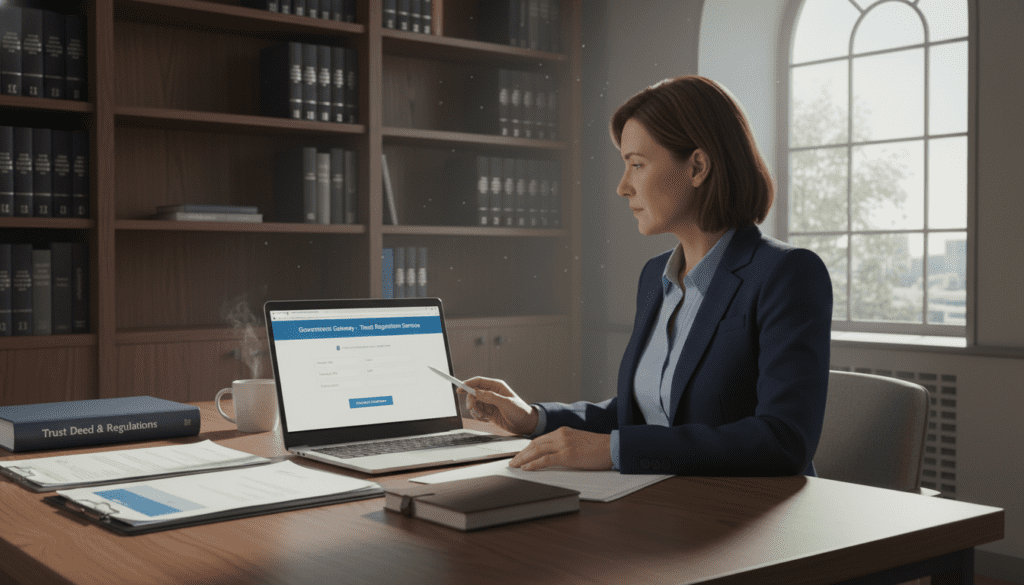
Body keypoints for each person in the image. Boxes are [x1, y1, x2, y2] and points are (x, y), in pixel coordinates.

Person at [460, 76, 833, 476]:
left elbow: (784, 440)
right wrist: (534, 418)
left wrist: (616, 449)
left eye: (637, 165)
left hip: (749, 508)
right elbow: (641, 413)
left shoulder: (787, 273)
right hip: (663, 498)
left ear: (697, 167)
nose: (623, 187)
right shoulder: (656, 276)